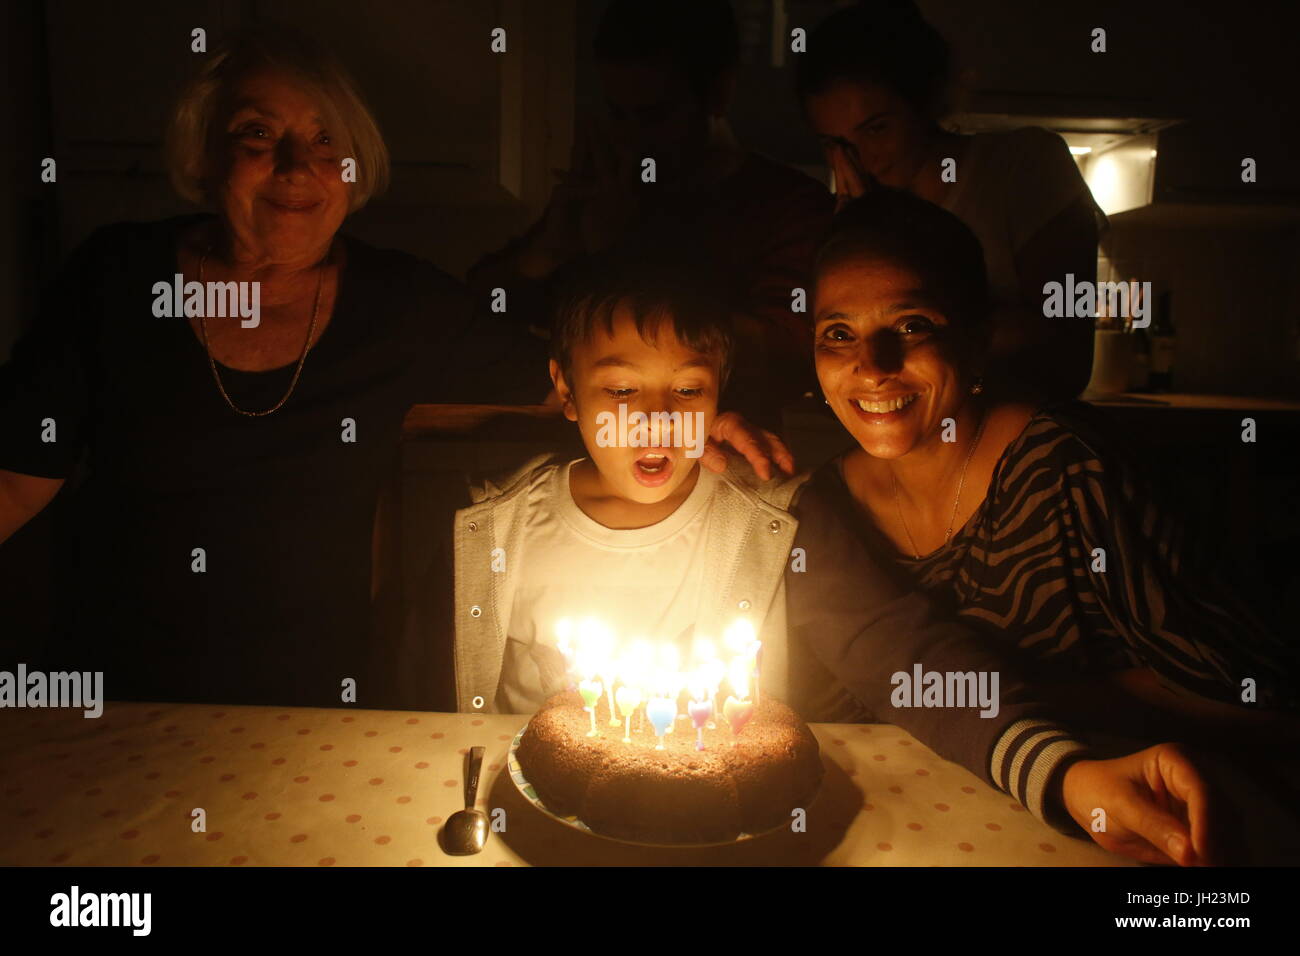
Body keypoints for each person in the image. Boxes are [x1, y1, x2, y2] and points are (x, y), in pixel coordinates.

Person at [0, 24, 783, 710]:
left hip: (320, 699)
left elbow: (582, 375)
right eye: (255, 135)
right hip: (114, 694)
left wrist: (696, 410)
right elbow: (13, 484)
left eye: (324, 141)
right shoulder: (115, 279)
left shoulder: (401, 306)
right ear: (206, 154)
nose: (296, 166)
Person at [804, 188, 1300, 731]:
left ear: (978, 341)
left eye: (911, 325)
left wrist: (1028, 704)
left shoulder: (1066, 467)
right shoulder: (823, 504)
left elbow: (1253, 693)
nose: (872, 368)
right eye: (839, 333)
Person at [468, 0, 833, 427]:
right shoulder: (603, 191)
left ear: (718, 92)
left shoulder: (788, 207)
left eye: (654, 115)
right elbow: (472, 326)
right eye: (617, 114)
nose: (632, 136)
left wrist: (620, 252)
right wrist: (548, 249)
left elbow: (785, 354)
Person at [796, 0, 1103, 402]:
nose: (859, 160)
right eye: (835, 144)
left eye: (877, 129)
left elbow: (1064, 338)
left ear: (926, 103)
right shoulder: (851, 217)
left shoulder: (1023, 166)